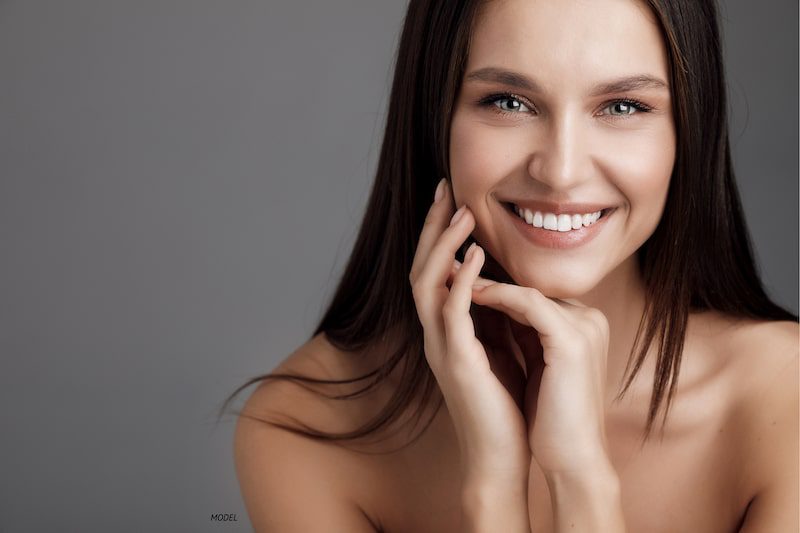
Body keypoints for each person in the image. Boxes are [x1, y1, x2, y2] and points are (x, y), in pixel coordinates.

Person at [222, 0, 799, 530]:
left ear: (688, 134)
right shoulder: (307, 428)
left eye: (623, 106)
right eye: (508, 102)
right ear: (436, 119)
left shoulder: (784, 405)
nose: (562, 171)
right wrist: (494, 483)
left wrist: (582, 484)